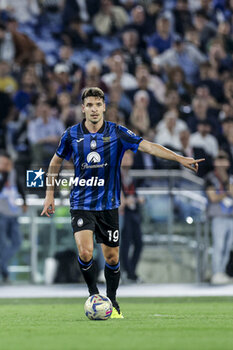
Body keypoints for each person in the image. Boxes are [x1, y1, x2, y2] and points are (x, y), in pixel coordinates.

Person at [41, 87, 204, 318]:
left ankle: (113, 300)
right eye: (89, 105)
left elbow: (149, 146)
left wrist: (179, 158)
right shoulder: (71, 135)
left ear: (104, 107)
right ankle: (93, 295)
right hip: (81, 203)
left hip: (108, 206)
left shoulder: (117, 133)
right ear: (83, 108)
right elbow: (55, 162)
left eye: (98, 104)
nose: (94, 109)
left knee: (112, 258)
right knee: (86, 252)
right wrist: (49, 193)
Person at [205, 151, 233, 284]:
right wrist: (227, 192)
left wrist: (226, 182)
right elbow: (213, 197)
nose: (221, 163)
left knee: (228, 246)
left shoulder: (230, 177)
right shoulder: (210, 177)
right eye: (219, 160)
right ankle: (216, 272)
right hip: (218, 216)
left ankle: (222, 272)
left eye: (224, 160)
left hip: (231, 216)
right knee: (219, 245)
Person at [0, 151, 27, 282]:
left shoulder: (13, 172)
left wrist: (24, 201)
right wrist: (4, 174)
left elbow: (20, 186)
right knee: (3, 244)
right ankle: (4, 273)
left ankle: (2, 266)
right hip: (1, 213)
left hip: (13, 212)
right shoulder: (3, 174)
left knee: (17, 242)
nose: (6, 165)